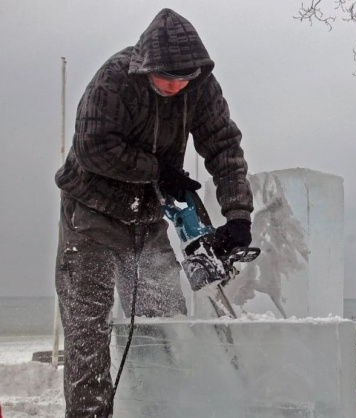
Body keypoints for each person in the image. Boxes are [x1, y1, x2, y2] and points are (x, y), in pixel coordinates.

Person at [54, 9, 253, 418]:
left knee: (165, 324)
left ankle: (167, 408)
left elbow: (224, 147)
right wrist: (158, 170)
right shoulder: (114, 80)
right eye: (166, 78)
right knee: (88, 332)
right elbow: (93, 147)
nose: (175, 86)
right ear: (146, 67)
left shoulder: (200, 87)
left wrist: (238, 217)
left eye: (184, 79)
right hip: (90, 214)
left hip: (146, 218)